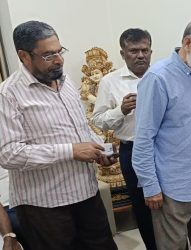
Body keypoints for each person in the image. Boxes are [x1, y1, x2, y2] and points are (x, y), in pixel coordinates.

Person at [0, 20, 118, 250]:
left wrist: (98, 149)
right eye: (48, 55)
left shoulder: (65, 81)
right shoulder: (8, 94)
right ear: (24, 56)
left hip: (86, 194)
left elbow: (79, 128)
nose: (59, 59)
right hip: (44, 208)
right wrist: (71, 151)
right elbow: (8, 154)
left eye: (59, 51)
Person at [132, 17, 191, 250]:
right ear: (188, 43)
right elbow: (144, 139)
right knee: (172, 246)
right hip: (172, 187)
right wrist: (150, 186)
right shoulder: (158, 78)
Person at [91, 28, 157, 250]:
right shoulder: (110, 82)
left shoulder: (162, 75)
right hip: (133, 150)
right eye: (134, 51)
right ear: (123, 53)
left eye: (144, 50)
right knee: (143, 206)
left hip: (165, 149)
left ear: (151, 51)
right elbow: (98, 119)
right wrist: (121, 110)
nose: (140, 55)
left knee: (173, 204)